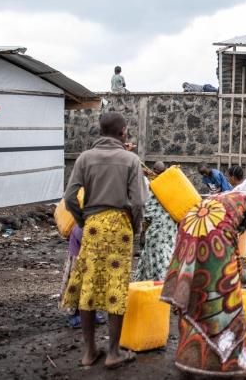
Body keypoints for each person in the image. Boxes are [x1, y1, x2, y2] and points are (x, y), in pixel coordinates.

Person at [161, 176, 246, 378]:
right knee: (227, 301)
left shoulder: (230, 195)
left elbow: (230, 237)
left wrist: (238, 270)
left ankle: (189, 358)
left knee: (197, 294)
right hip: (213, 232)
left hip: (191, 224)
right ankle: (237, 366)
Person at [62, 112, 145, 369]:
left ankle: (89, 352)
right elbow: (139, 202)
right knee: (116, 286)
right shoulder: (131, 159)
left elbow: (69, 197)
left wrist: (85, 220)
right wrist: (134, 226)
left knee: (88, 285)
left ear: (101, 131)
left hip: (93, 227)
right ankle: (113, 352)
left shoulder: (85, 158)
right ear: (123, 132)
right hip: (120, 226)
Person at [133, 162, 178, 282]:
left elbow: (147, 211)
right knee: (167, 253)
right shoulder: (172, 187)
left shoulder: (155, 189)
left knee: (158, 256)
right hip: (171, 228)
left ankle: (162, 283)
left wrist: (140, 227)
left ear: (154, 171)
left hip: (157, 230)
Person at [61, 224, 106, 329]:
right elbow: (85, 239)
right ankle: (74, 315)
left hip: (90, 259)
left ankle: (90, 313)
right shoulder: (80, 225)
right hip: (78, 260)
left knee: (90, 288)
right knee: (76, 288)